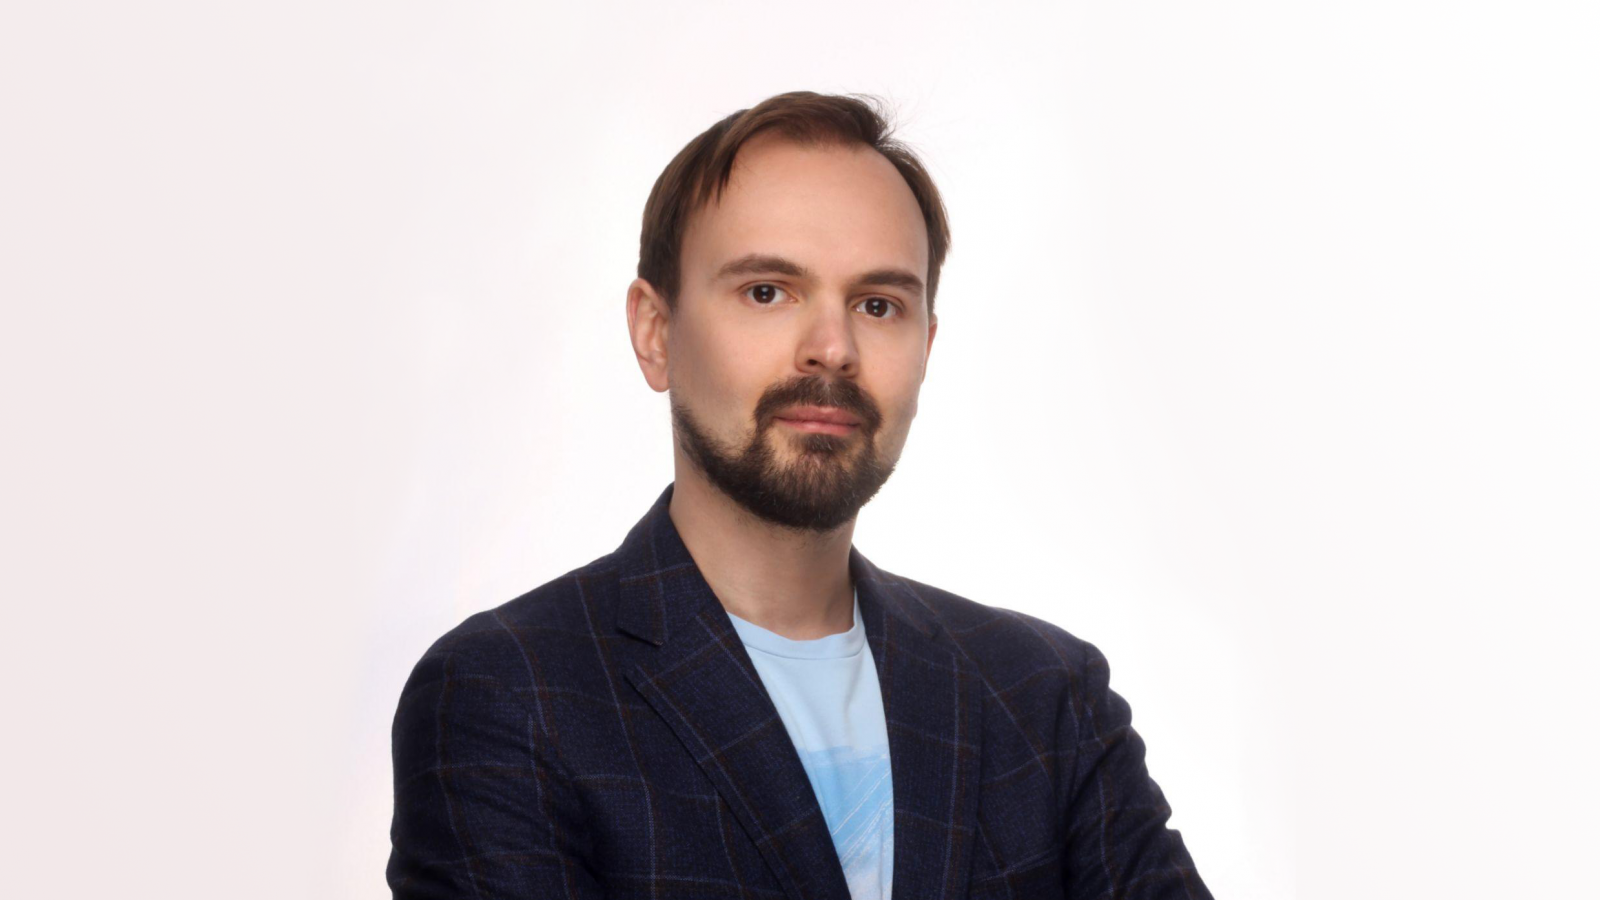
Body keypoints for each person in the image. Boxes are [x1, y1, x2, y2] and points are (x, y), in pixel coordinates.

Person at [387, 90, 1213, 900]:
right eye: (767, 291)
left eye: (878, 304)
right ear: (656, 333)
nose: (832, 348)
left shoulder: (1045, 695)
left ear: (926, 347)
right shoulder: (509, 694)